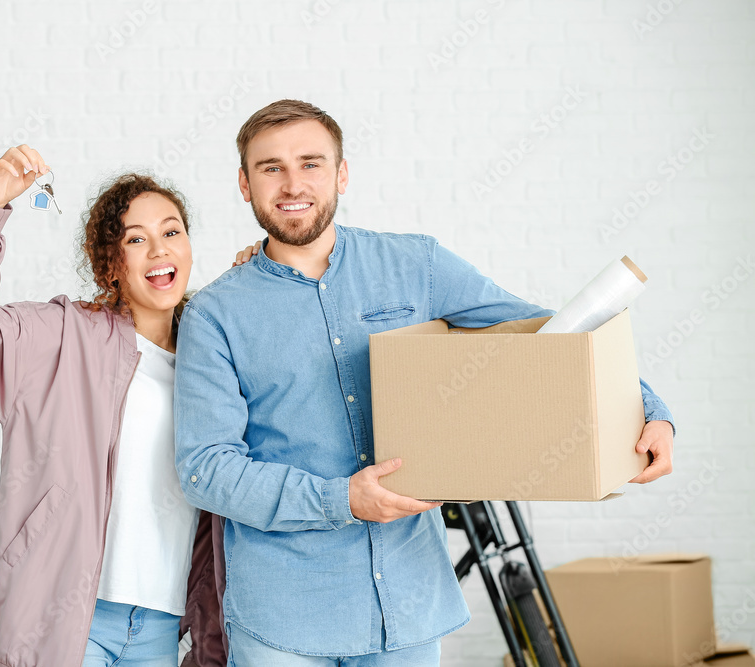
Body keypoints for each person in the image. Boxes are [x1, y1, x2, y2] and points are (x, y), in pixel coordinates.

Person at [172, 100, 676, 666]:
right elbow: (206, 469)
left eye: (311, 163)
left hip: (409, 604)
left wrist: (648, 409)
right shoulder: (215, 314)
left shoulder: (417, 265)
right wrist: (343, 500)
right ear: (244, 183)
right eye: (271, 168)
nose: (293, 183)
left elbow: (551, 336)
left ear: (341, 174)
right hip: (285, 617)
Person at [0, 145, 259, 667]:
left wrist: (255, 286)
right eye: (135, 240)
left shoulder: (214, 354)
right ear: (111, 263)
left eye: (171, 232)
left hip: (161, 626)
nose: (158, 250)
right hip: (67, 621)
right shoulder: (63, 337)